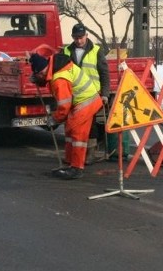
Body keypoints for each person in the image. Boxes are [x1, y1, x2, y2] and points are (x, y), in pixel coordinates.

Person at [29, 52, 103, 180]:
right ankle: (69, 161)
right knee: (70, 131)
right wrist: (40, 81)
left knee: (77, 134)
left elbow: (64, 107)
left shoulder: (59, 79)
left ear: (41, 72)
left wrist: (54, 119)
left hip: (85, 103)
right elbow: (48, 78)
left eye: (39, 76)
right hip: (85, 101)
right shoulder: (57, 66)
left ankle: (77, 168)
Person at [62, 23, 110, 163]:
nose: (79, 40)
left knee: (91, 124)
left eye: (81, 37)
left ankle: (90, 152)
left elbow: (104, 73)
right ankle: (73, 155)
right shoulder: (66, 51)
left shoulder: (96, 50)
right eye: (76, 38)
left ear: (86, 36)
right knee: (71, 124)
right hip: (72, 95)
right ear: (72, 37)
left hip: (91, 95)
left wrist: (105, 93)